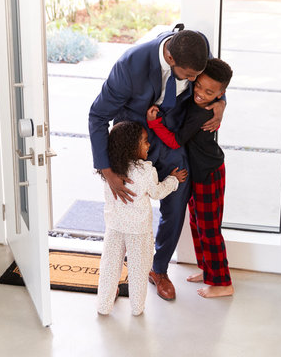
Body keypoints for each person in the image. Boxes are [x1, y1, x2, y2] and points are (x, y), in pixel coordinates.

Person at [89, 27, 226, 301]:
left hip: (172, 140)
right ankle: (116, 273)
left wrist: (221, 101)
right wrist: (107, 171)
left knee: (176, 205)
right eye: (190, 76)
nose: (194, 80)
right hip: (134, 140)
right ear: (171, 59)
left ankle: (158, 269)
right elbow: (98, 115)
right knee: (124, 211)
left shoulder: (198, 48)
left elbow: (216, 81)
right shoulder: (130, 65)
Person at [147, 58, 234, 298]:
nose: (201, 94)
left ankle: (223, 283)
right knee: (197, 223)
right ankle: (209, 271)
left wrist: (155, 125)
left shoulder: (202, 113)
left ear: (221, 93)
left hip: (209, 174)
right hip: (201, 172)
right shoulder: (203, 103)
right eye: (199, 87)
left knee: (209, 229)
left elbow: (176, 141)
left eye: (210, 92)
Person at [96, 121, 188, 315]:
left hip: (114, 227)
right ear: (131, 146)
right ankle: (137, 308)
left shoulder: (110, 170)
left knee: (109, 267)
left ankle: (103, 306)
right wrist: (172, 180)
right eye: (145, 141)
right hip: (139, 231)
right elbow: (157, 192)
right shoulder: (146, 171)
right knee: (139, 270)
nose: (149, 145)